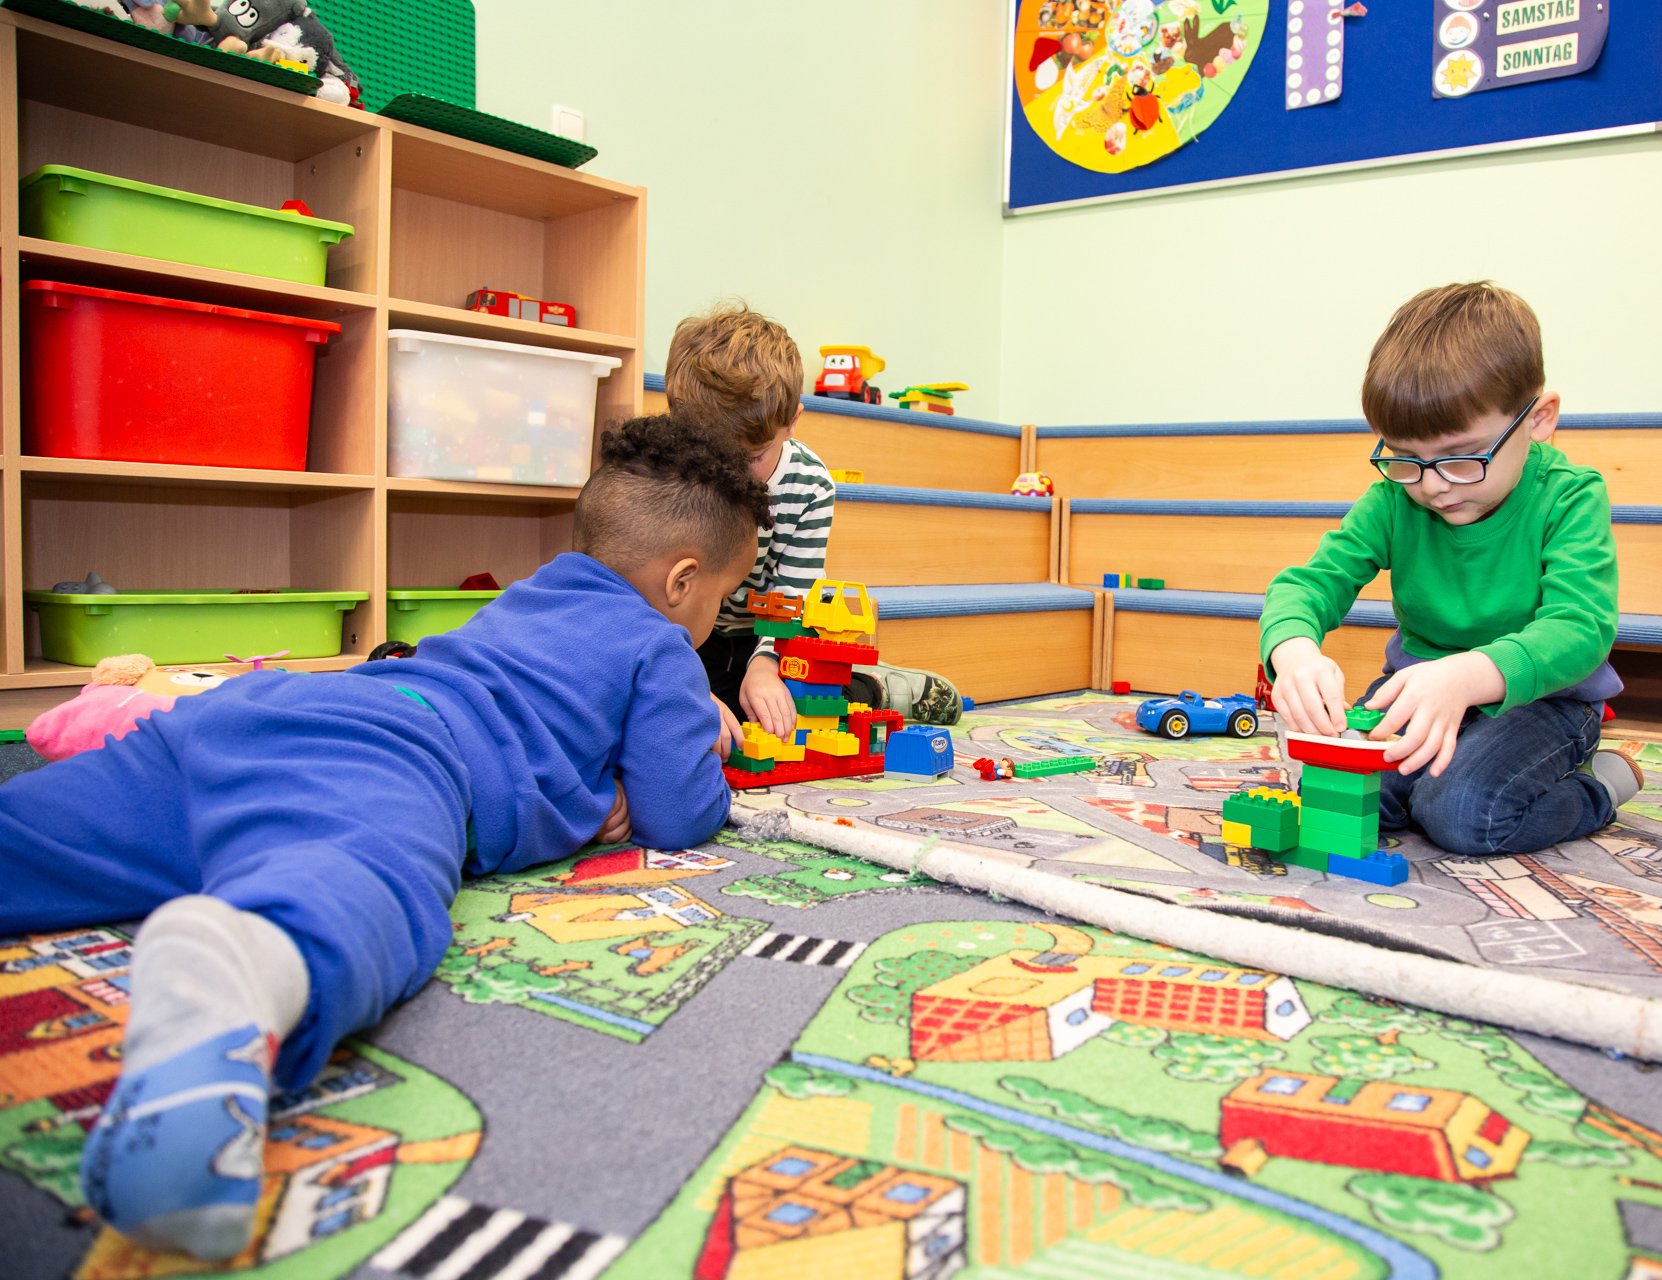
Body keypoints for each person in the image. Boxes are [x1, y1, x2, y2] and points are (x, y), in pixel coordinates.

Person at [0, 415, 769, 1260]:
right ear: (682, 581)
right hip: (400, 758)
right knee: (358, 889)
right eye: (723, 598)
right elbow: (680, 811)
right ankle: (241, 967)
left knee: (38, 839)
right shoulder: (659, 645)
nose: (715, 617)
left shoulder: (536, 590)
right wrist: (697, 737)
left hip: (275, 710)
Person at [1261, 281, 1642, 856]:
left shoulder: (1569, 497)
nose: (1434, 485)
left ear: (1538, 419)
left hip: (1541, 702)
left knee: (1465, 815)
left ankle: (1603, 784)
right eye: (1407, 458)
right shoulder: (1395, 499)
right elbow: (1308, 584)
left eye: (1462, 458)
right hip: (1419, 694)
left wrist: (1468, 676)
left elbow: (1580, 629)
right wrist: (1293, 652)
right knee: (1337, 790)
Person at [664, 301, 963, 734]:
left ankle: (873, 688)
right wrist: (684, 679)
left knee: (791, 708)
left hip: (767, 639)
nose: (727, 473)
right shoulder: (664, 469)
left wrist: (766, 664)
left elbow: (795, 590)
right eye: (712, 454)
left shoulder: (810, 484)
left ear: (792, 422)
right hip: (686, 640)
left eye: (749, 457)